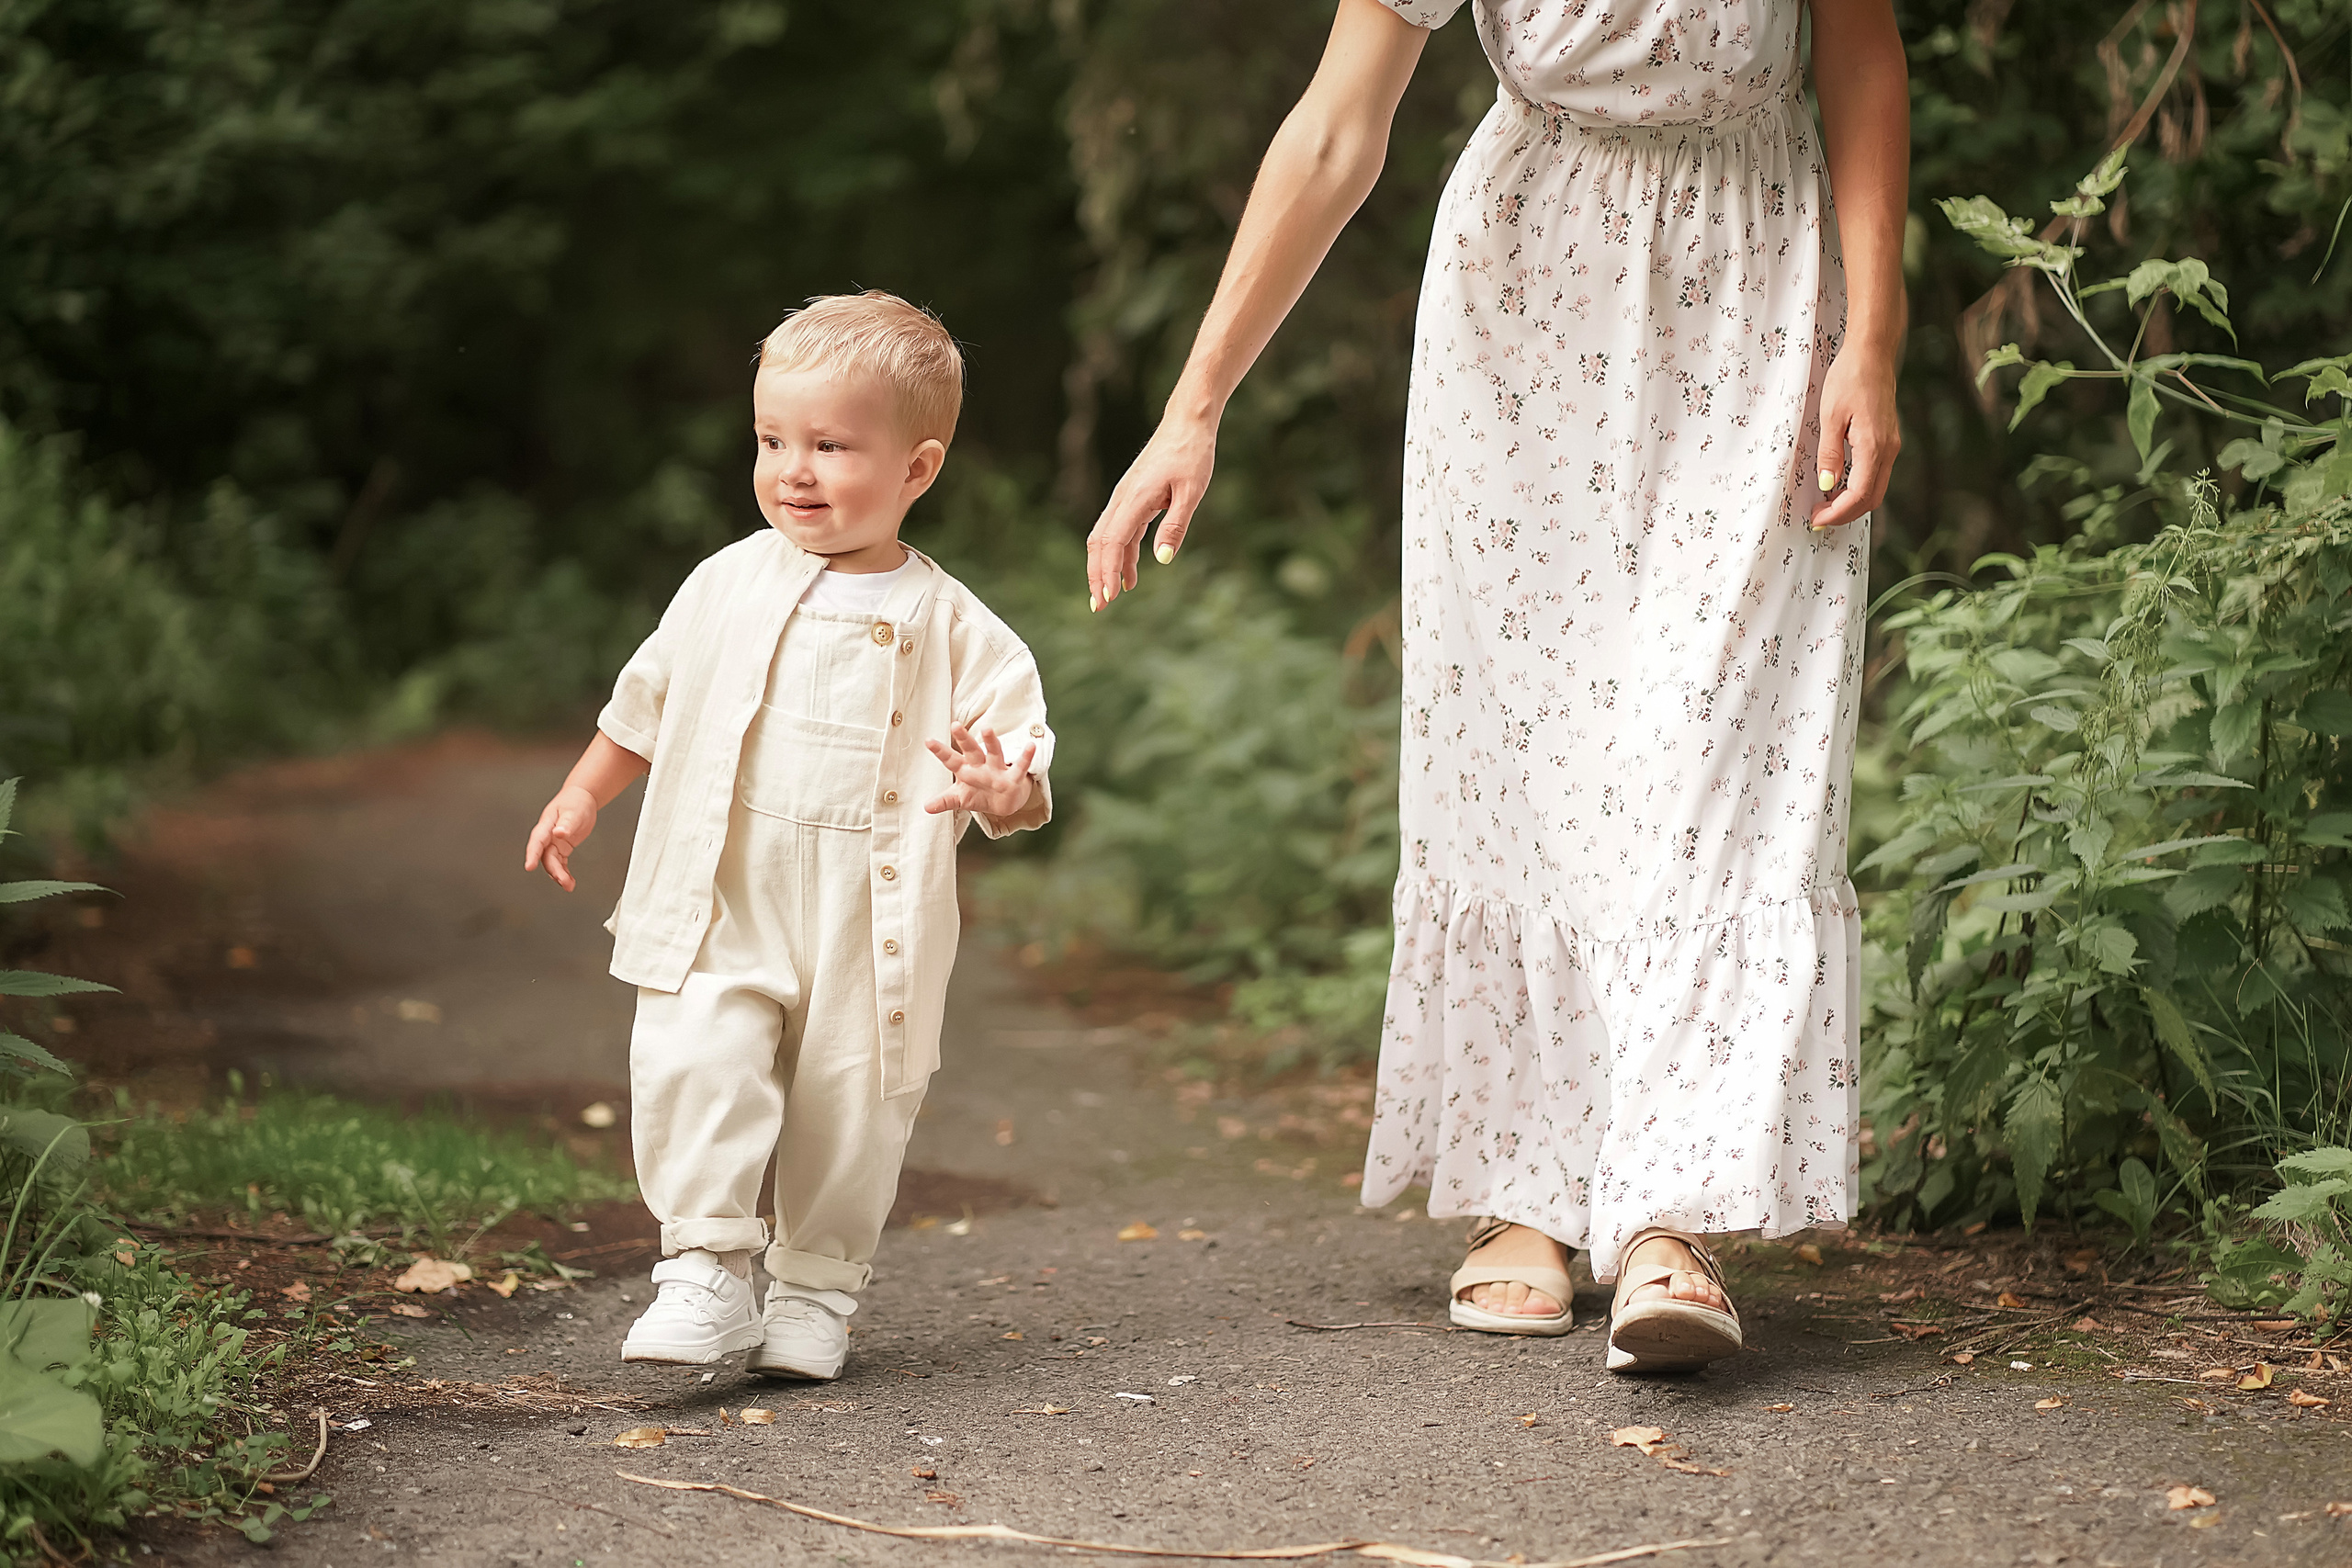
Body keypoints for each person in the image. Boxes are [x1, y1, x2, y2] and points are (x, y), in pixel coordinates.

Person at [1084, 0, 1906, 1371]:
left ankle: (1672, 1210)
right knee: (1517, 745)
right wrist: (1196, 401)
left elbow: (1865, 55)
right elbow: (1340, 124)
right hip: (1528, 292)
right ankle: (1526, 1184)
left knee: (1724, 742)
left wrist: (1869, 340)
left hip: (1764, 284)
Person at [524, 291, 1055, 1380]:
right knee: (693, 1056)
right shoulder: (724, 580)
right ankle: (705, 1271)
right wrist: (584, 792)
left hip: (870, 918)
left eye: (829, 445)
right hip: (725, 886)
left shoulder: (953, 623)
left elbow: (1017, 756)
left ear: (917, 468)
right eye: (771, 440)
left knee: (851, 1102)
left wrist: (1002, 792)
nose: (792, 470)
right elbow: (648, 701)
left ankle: (815, 1290)